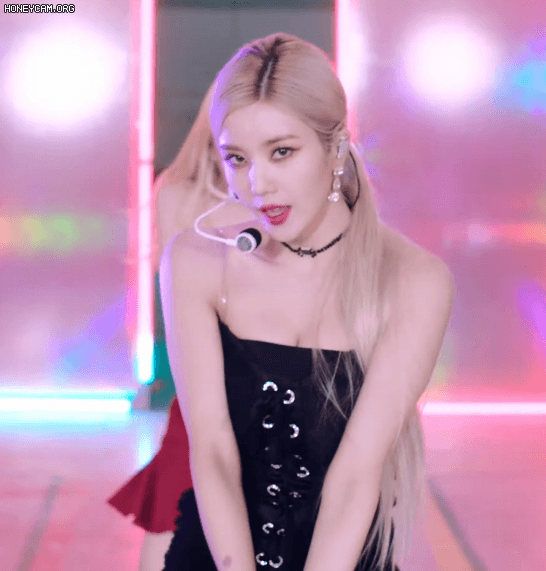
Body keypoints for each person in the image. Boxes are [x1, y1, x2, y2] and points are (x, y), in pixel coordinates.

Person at [159, 32, 453, 571]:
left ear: (335, 148)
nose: (258, 185)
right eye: (236, 158)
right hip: (219, 554)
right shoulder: (195, 262)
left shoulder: (414, 281)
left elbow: (355, 474)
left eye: (282, 152)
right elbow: (213, 447)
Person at [108, 81, 253, 571]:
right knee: (175, 500)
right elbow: (182, 284)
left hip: (270, 366)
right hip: (207, 364)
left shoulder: (274, 196)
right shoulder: (177, 191)